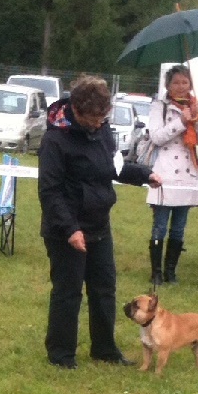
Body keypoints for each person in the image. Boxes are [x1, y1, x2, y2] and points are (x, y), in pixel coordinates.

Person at [38, 75, 162, 369]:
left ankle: (105, 349)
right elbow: (49, 191)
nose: (98, 123)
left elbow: (114, 167)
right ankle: (61, 355)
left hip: (98, 225)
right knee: (68, 293)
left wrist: (145, 175)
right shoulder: (55, 139)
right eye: (93, 118)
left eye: (102, 117)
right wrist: (70, 229)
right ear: (76, 110)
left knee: (104, 289)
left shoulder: (103, 132)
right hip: (65, 229)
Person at [147, 65, 198, 285]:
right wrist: (182, 121)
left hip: (188, 173)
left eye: (185, 82)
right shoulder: (160, 107)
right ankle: (156, 272)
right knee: (160, 225)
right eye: (176, 83)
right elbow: (156, 137)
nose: (181, 87)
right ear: (168, 85)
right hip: (165, 172)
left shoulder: (195, 106)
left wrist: (197, 119)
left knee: (179, 226)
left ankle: (171, 271)